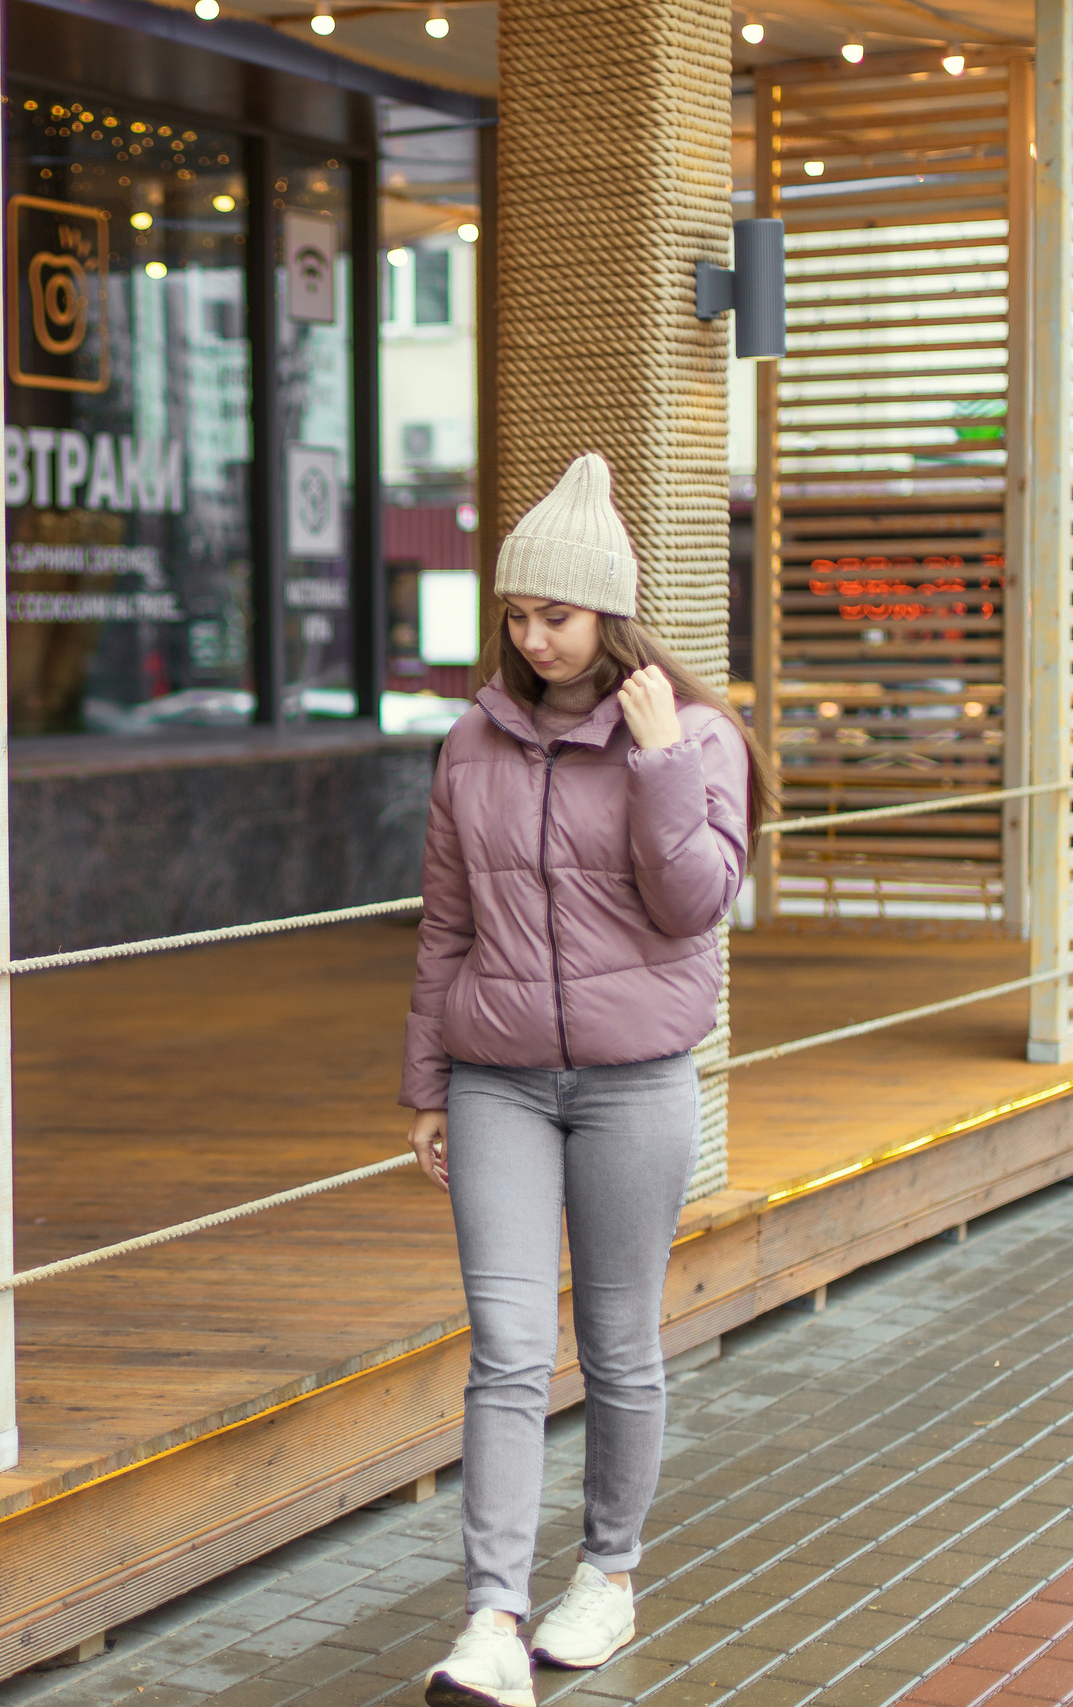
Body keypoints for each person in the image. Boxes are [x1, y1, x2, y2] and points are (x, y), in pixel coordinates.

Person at [412, 453, 774, 1707]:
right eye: (516, 614)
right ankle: (490, 1622)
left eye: (555, 616)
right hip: (496, 1078)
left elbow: (695, 904)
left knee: (618, 1347)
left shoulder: (695, 737)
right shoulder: (472, 742)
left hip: (634, 1085)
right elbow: (444, 925)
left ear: (609, 616)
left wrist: (663, 761)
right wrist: (423, 1087)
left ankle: (606, 1578)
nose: (532, 637)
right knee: (508, 1350)